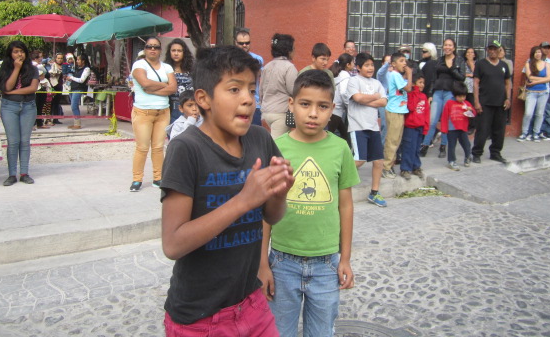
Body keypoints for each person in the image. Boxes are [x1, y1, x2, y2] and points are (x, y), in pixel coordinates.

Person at [160, 45, 294, 336]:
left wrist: (279, 193)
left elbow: (272, 216)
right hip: (200, 318)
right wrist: (243, 201)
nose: (247, 99)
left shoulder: (260, 138)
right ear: (203, 99)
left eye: (251, 89)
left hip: (251, 303)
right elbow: (172, 243)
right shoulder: (187, 149)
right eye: (234, 89)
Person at [258, 70, 358, 337]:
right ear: (291, 105)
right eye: (305, 104)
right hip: (281, 262)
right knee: (280, 332)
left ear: (332, 109)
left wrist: (345, 258)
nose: (313, 113)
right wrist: (262, 264)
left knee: (322, 332)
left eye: (322, 106)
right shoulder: (275, 148)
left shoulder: (340, 149)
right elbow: (266, 211)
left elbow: (345, 206)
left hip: (326, 264)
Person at [129, 37, 176, 191]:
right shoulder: (139, 64)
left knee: (158, 147)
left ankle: (158, 177)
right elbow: (144, 83)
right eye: (149, 47)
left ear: (160, 49)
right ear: (145, 49)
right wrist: (164, 85)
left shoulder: (167, 67)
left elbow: (173, 88)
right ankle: (137, 179)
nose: (153, 49)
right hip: (143, 111)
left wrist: (153, 88)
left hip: (163, 112)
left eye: (156, 47)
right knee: (142, 147)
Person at [345, 52, 388, 207]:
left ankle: (374, 193)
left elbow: (383, 102)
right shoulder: (353, 81)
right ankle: (336, 182)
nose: (370, 68)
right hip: (358, 126)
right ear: (358, 67)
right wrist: (374, 97)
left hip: (373, 127)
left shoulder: (377, 83)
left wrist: (368, 100)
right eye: (367, 65)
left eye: (372, 65)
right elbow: (357, 98)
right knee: (359, 160)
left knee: (378, 161)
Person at [0, 40, 40, 186]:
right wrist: (16, 68)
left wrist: (12, 92)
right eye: (15, 51)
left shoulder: (33, 68)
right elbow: (6, 86)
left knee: (24, 141)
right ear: (10, 53)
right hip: (9, 107)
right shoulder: (4, 68)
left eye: (21, 51)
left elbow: (33, 88)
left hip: (28, 106)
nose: (19, 54)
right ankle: (11, 174)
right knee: (13, 142)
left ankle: (24, 173)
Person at [420, 38, 465, 159]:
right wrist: (430, 94)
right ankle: (425, 144)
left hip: (450, 92)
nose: (447, 47)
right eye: (445, 45)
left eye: (450, 45)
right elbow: (434, 79)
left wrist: (452, 68)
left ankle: (443, 146)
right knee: (432, 120)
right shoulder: (439, 60)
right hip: (438, 92)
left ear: (454, 48)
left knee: (446, 120)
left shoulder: (459, 60)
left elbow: (462, 77)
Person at [471, 40, 511, 164]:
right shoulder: (481, 64)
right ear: (487, 50)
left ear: (500, 50)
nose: (493, 51)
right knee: (482, 129)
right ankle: (477, 153)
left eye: (495, 49)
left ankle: (495, 152)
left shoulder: (504, 65)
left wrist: (508, 98)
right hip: (485, 102)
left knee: (499, 130)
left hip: (500, 103)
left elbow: (507, 83)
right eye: (490, 49)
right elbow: (476, 83)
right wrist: (476, 102)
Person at [261, 33, 298, 138]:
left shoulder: (267, 66)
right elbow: (293, 90)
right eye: (293, 48)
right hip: (281, 112)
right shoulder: (289, 67)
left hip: (266, 111)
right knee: (277, 147)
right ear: (288, 50)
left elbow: (261, 90)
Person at [381, 52, 412, 179]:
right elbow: (408, 88)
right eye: (401, 61)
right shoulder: (394, 74)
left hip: (398, 111)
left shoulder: (397, 75)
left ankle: (390, 164)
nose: (404, 63)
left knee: (396, 140)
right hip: (394, 111)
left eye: (405, 60)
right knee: (392, 140)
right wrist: (409, 74)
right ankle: (385, 168)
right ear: (393, 64)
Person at [518, 46, 550, 142]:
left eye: (539, 52)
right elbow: (530, 77)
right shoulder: (528, 64)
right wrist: (542, 80)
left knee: (539, 114)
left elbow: (549, 78)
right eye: (536, 52)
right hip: (531, 92)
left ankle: (536, 133)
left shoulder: (547, 64)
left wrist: (536, 81)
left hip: (543, 92)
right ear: (533, 54)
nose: (538, 54)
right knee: (528, 113)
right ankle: (524, 133)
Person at [400, 73, 429, 179]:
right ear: (413, 84)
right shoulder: (410, 95)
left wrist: (426, 127)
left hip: (420, 127)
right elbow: (411, 107)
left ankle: (416, 167)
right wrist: (415, 91)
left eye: (423, 83)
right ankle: (405, 169)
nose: (422, 85)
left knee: (416, 148)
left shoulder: (424, 96)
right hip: (410, 127)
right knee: (408, 148)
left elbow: (426, 113)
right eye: (419, 83)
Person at [441, 81, 476, 171]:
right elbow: (444, 117)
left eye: (464, 96)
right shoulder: (449, 103)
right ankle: (451, 161)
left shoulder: (466, 103)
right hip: (452, 129)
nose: (462, 98)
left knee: (466, 144)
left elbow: (473, 114)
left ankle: (467, 157)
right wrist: (444, 129)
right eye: (460, 96)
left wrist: (470, 110)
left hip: (463, 128)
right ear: (454, 95)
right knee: (452, 145)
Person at [235, 29, 265, 126]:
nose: (244, 45)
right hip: (235, 103)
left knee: (255, 132)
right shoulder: (230, 60)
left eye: (247, 43)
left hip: (254, 103)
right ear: (236, 43)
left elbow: (262, 79)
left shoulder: (257, 59)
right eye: (241, 43)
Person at [164, 38, 194, 124]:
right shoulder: (165, 68)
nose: (176, 53)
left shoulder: (192, 69)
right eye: (173, 50)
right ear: (169, 52)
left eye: (179, 51)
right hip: (171, 106)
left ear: (184, 52)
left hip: (189, 106)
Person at [65, 54, 91, 130]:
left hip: (79, 89)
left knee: (74, 105)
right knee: (74, 106)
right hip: (72, 88)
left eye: (79, 60)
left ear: (83, 61)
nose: (77, 61)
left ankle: (77, 124)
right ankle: (75, 123)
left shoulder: (86, 69)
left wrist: (72, 78)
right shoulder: (77, 68)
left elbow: (81, 80)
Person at [463, 47, 478, 133]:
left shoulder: (476, 63)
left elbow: (475, 73)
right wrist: (469, 75)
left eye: (472, 52)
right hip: (464, 88)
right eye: (468, 52)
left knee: (472, 107)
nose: (469, 54)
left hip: (472, 89)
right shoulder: (462, 63)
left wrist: (471, 63)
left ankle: (472, 126)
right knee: (464, 107)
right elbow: (462, 74)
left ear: (474, 54)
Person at [48, 53, 64, 124]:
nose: (60, 60)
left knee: (57, 103)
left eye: (61, 58)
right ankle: (49, 119)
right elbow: (50, 74)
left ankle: (56, 119)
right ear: (56, 59)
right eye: (58, 58)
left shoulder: (64, 66)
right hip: (53, 86)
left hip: (59, 86)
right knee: (51, 103)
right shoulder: (52, 65)